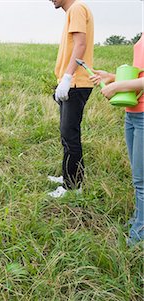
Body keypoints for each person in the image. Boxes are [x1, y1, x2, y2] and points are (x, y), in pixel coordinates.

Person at [90, 33, 144, 244]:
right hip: (132, 113)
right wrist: (112, 77)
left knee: (141, 180)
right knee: (137, 175)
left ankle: (140, 231)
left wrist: (117, 87)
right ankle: (139, 220)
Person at [48, 0, 94, 198]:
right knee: (66, 134)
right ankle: (69, 175)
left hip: (76, 83)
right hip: (72, 83)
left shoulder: (76, 8)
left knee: (70, 135)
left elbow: (80, 44)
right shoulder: (74, 11)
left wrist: (67, 77)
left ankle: (72, 187)